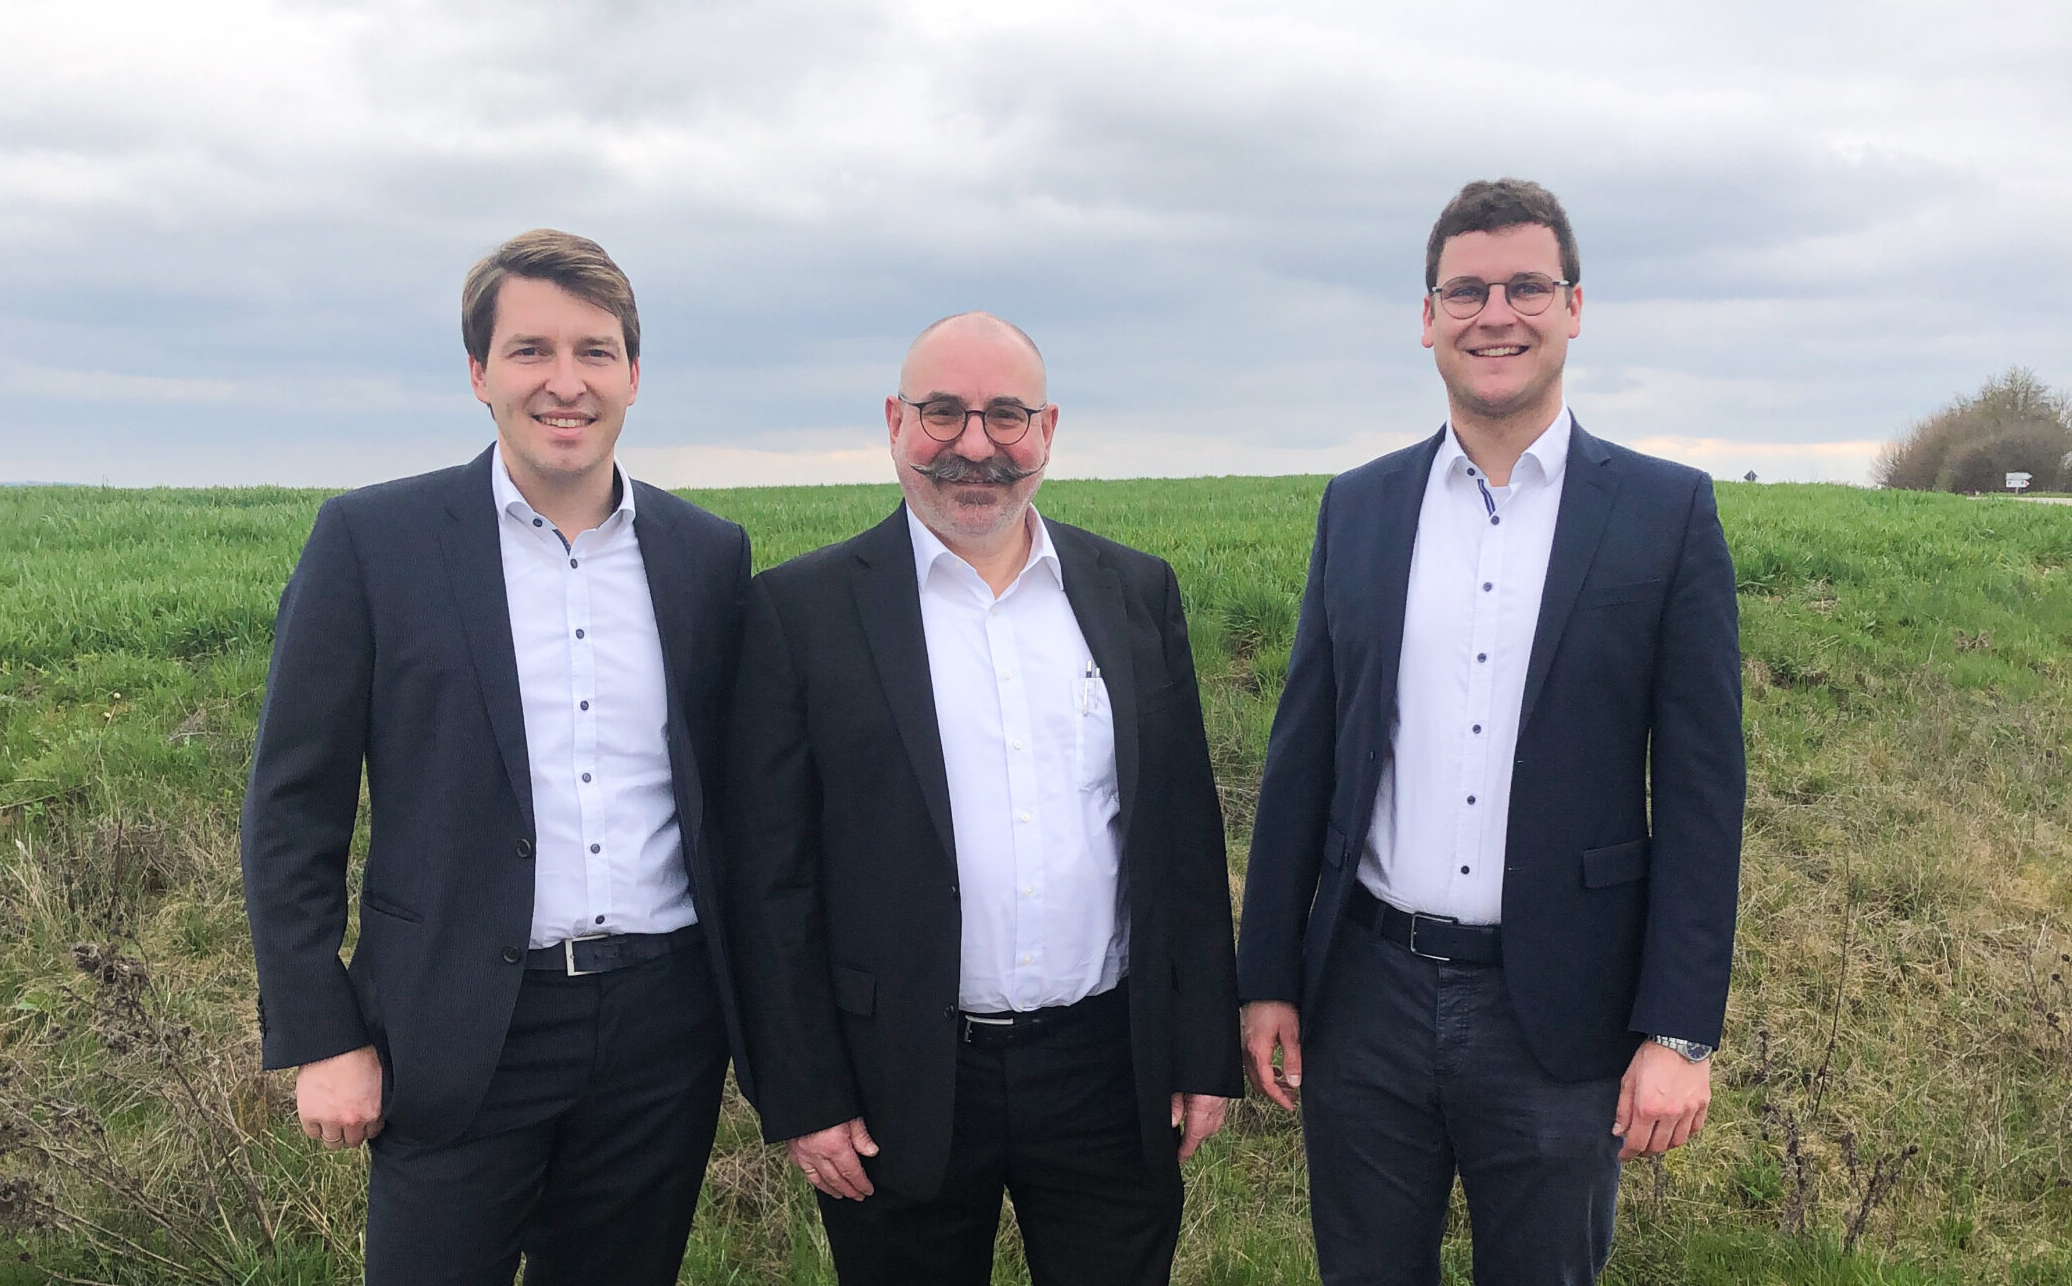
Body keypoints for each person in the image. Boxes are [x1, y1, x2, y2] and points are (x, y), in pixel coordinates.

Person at [1237, 180, 1745, 1285]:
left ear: (1573, 306)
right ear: (1428, 317)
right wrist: (1267, 970)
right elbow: (1303, 752)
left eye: (1524, 286)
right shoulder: (1360, 505)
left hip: (1564, 1005)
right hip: (1365, 994)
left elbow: (1706, 795)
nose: (1494, 313)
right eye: (1465, 290)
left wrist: (1679, 1028)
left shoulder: (1667, 512)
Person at [240, 229, 750, 1285]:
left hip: (662, 1027)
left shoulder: (708, 556)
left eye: (595, 351)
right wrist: (320, 1031)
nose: (565, 382)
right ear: (479, 374)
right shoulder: (373, 542)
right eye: (530, 351)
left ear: (635, 375)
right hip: (457, 1025)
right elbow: (294, 805)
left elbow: (736, 802)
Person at [723, 312, 1240, 1285]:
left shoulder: (1133, 592)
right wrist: (802, 1090)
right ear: (894, 420)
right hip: (896, 1073)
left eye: (1005, 415)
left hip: (1107, 1064)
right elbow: (769, 878)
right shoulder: (802, 611)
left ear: (1046, 428)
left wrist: (1202, 1047)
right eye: (943, 412)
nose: (974, 444)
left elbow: (1180, 836)